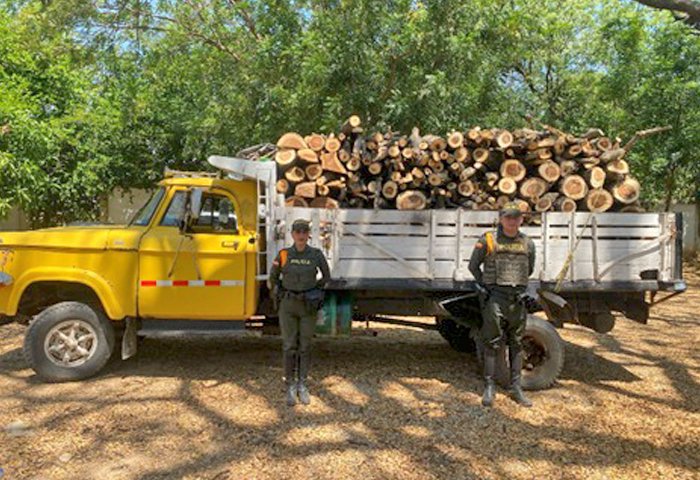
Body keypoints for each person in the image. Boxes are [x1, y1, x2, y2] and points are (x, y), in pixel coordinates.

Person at [468, 202, 536, 408]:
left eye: (516, 217)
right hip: (496, 298)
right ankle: (489, 386)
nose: (512, 221)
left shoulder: (527, 243)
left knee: (516, 344)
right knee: (492, 342)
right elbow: (473, 266)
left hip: (517, 299)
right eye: (508, 217)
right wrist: (486, 287)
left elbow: (529, 269)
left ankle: (516, 388)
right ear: (501, 219)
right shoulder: (488, 239)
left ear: (521, 220)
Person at [269, 218, 331, 407]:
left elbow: (326, 277)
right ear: (292, 234)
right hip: (288, 306)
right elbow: (273, 278)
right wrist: (280, 292)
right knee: (289, 345)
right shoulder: (284, 254)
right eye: (298, 232)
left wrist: (314, 291)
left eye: (304, 232)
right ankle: (290, 384)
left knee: (305, 345)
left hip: (307, 306)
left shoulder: (316, 254)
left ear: (308, 234)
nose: (301, 235)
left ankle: (302, 383)